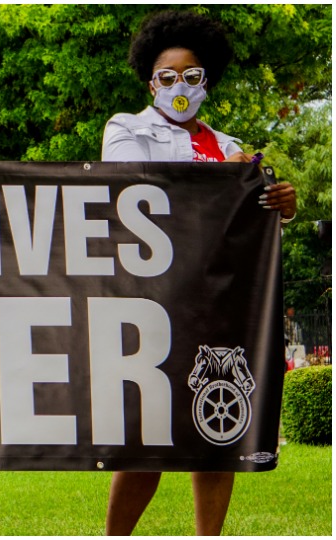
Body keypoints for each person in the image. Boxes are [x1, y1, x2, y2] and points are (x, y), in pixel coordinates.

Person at [101, 11, 297, 536]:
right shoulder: (126, 127)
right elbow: (129, 183)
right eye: (167, 76)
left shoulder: (231, 145)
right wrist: (224, 179)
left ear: (206, 82)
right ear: (150, 82)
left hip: (217, 304)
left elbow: (248, 219)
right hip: (155, 300)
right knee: (149, 439)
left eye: (191, 75)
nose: (179, 86)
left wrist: (279, 201)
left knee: (216, 435)